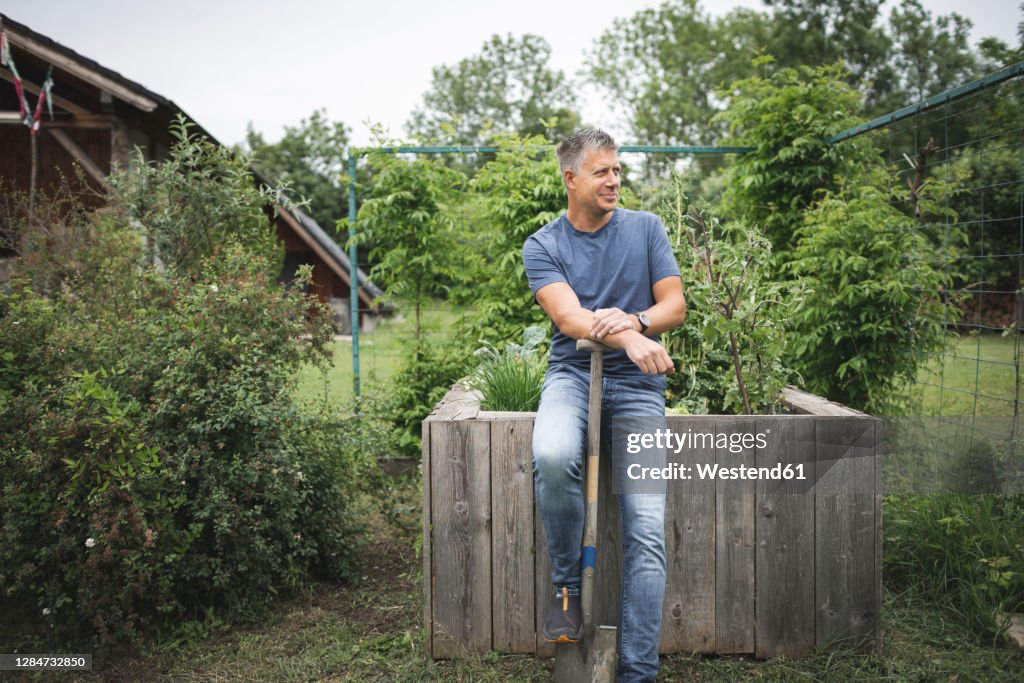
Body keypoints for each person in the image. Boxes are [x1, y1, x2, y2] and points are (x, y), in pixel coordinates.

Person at [522, 128, 687, 682]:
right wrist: (632, 338)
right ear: (571, 178)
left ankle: (638, 672)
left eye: (618, 170)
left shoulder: (646, 229)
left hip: (639, 388)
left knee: (645, 526)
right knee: (551, 452)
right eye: (602, 172)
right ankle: (567, 589)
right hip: (572, 375)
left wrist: (637, 321)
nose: (615, 180)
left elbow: (674, 304)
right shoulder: (543, 245)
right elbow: (570, 322)